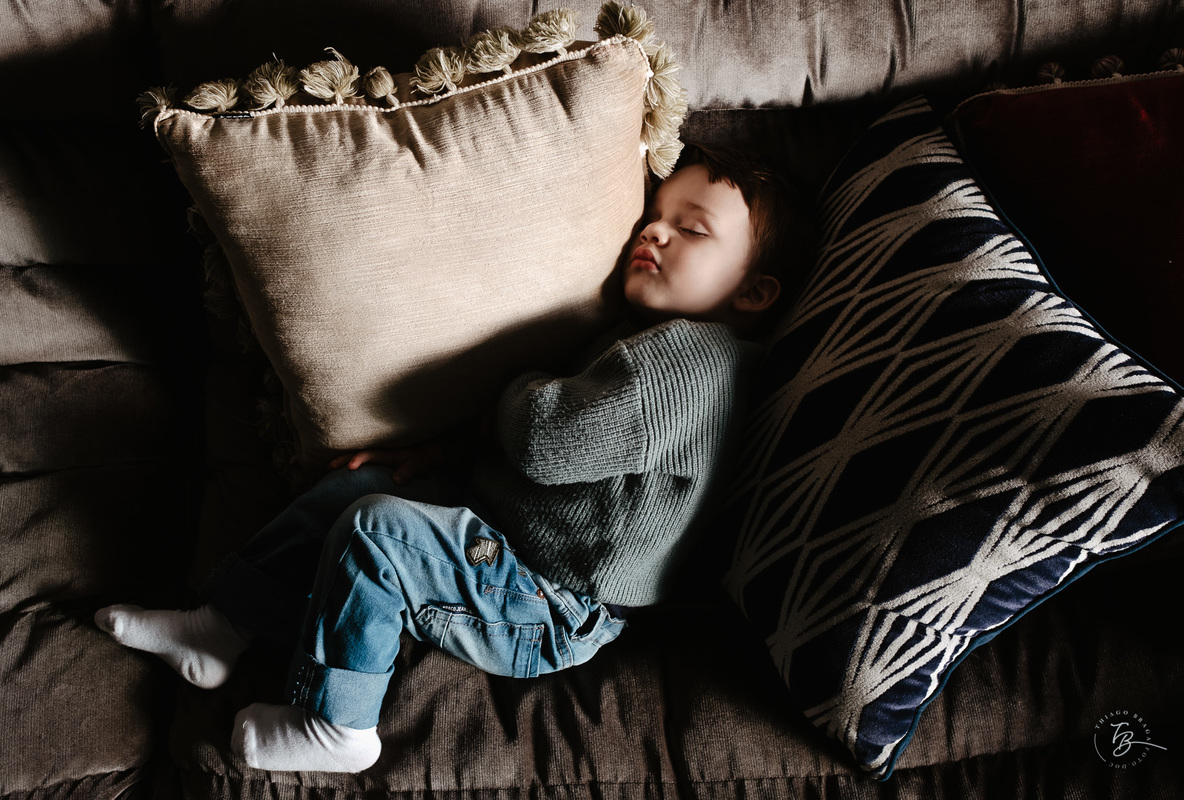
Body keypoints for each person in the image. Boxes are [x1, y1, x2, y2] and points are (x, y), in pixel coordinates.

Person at [94, 144, 814, 773]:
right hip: (501, 533)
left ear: (753, 291)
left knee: (377, 532)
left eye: (691, 229)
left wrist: (518, 388)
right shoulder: (656, 344)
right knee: (364, 486)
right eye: (656, 213)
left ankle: (339, 724)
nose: (654, 228)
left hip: (551, 602)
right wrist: (441, 449)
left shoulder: (694, 364)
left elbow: (547, 440)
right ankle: (224, 626)